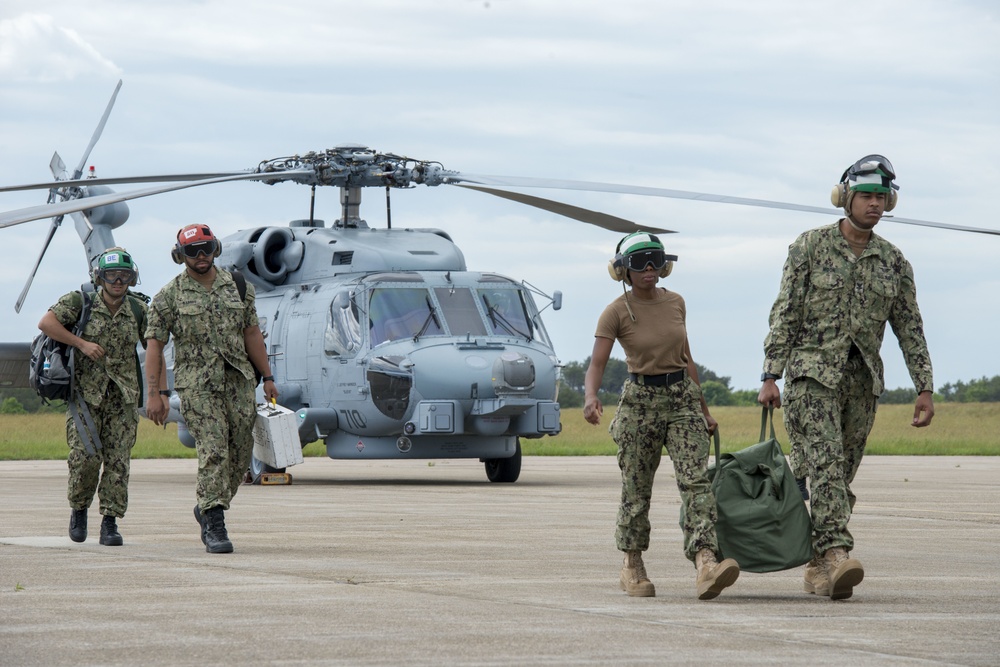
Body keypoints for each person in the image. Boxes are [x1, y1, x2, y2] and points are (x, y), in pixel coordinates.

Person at [758, 154, 934, 600]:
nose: (874, 205)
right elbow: (786, 313)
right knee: (828, 465)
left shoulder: (893, 262)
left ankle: (817, 567)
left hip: (861, 384)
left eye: (881, 198)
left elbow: (909, 327)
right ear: (845, 198)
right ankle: (836, 552)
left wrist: (924, 387)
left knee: (841, 474)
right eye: (866, 197)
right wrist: (770, 375)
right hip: (809, 378)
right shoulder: (809, 247)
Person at [584, 232, 740, 600]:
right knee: (637, 491)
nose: (650, 269)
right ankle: (632, 565)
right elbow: (597, 362)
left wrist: (704, 410)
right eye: (640, 263)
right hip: (640, 402)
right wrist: (591, 396)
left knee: (696, 482)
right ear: (623, 270)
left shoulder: (676, 303)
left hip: (681, 400)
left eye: (656, 260)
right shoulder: (615, 311)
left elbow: (687, 358)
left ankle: (705, 561)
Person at [144, 224, 278, 554]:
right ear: (181, 256)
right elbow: (155, 347)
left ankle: (207, 505)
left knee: (241, 448)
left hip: (239, 381)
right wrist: (156, 394)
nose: (201, 256)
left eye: (206, 248)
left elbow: (252, 334)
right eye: (193, 251)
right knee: (214, 447)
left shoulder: (239, 287)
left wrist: (269, 376)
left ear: (215, 248)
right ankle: (215, 523)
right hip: (197, 386)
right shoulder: (168, 297)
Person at [38, 247, 152, 546]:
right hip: (85, 396)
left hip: (123, 397)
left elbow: (154, 343)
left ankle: (110, 523)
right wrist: (81, 343)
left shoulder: (138, 309)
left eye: (124, 276)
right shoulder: (79, 301)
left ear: (132, 279)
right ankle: (78, 509)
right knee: (84, 458)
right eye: (112, 275)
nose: (118, 281)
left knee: (119, 462)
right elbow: (47, 323)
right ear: (99, 277)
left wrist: (158, 391)